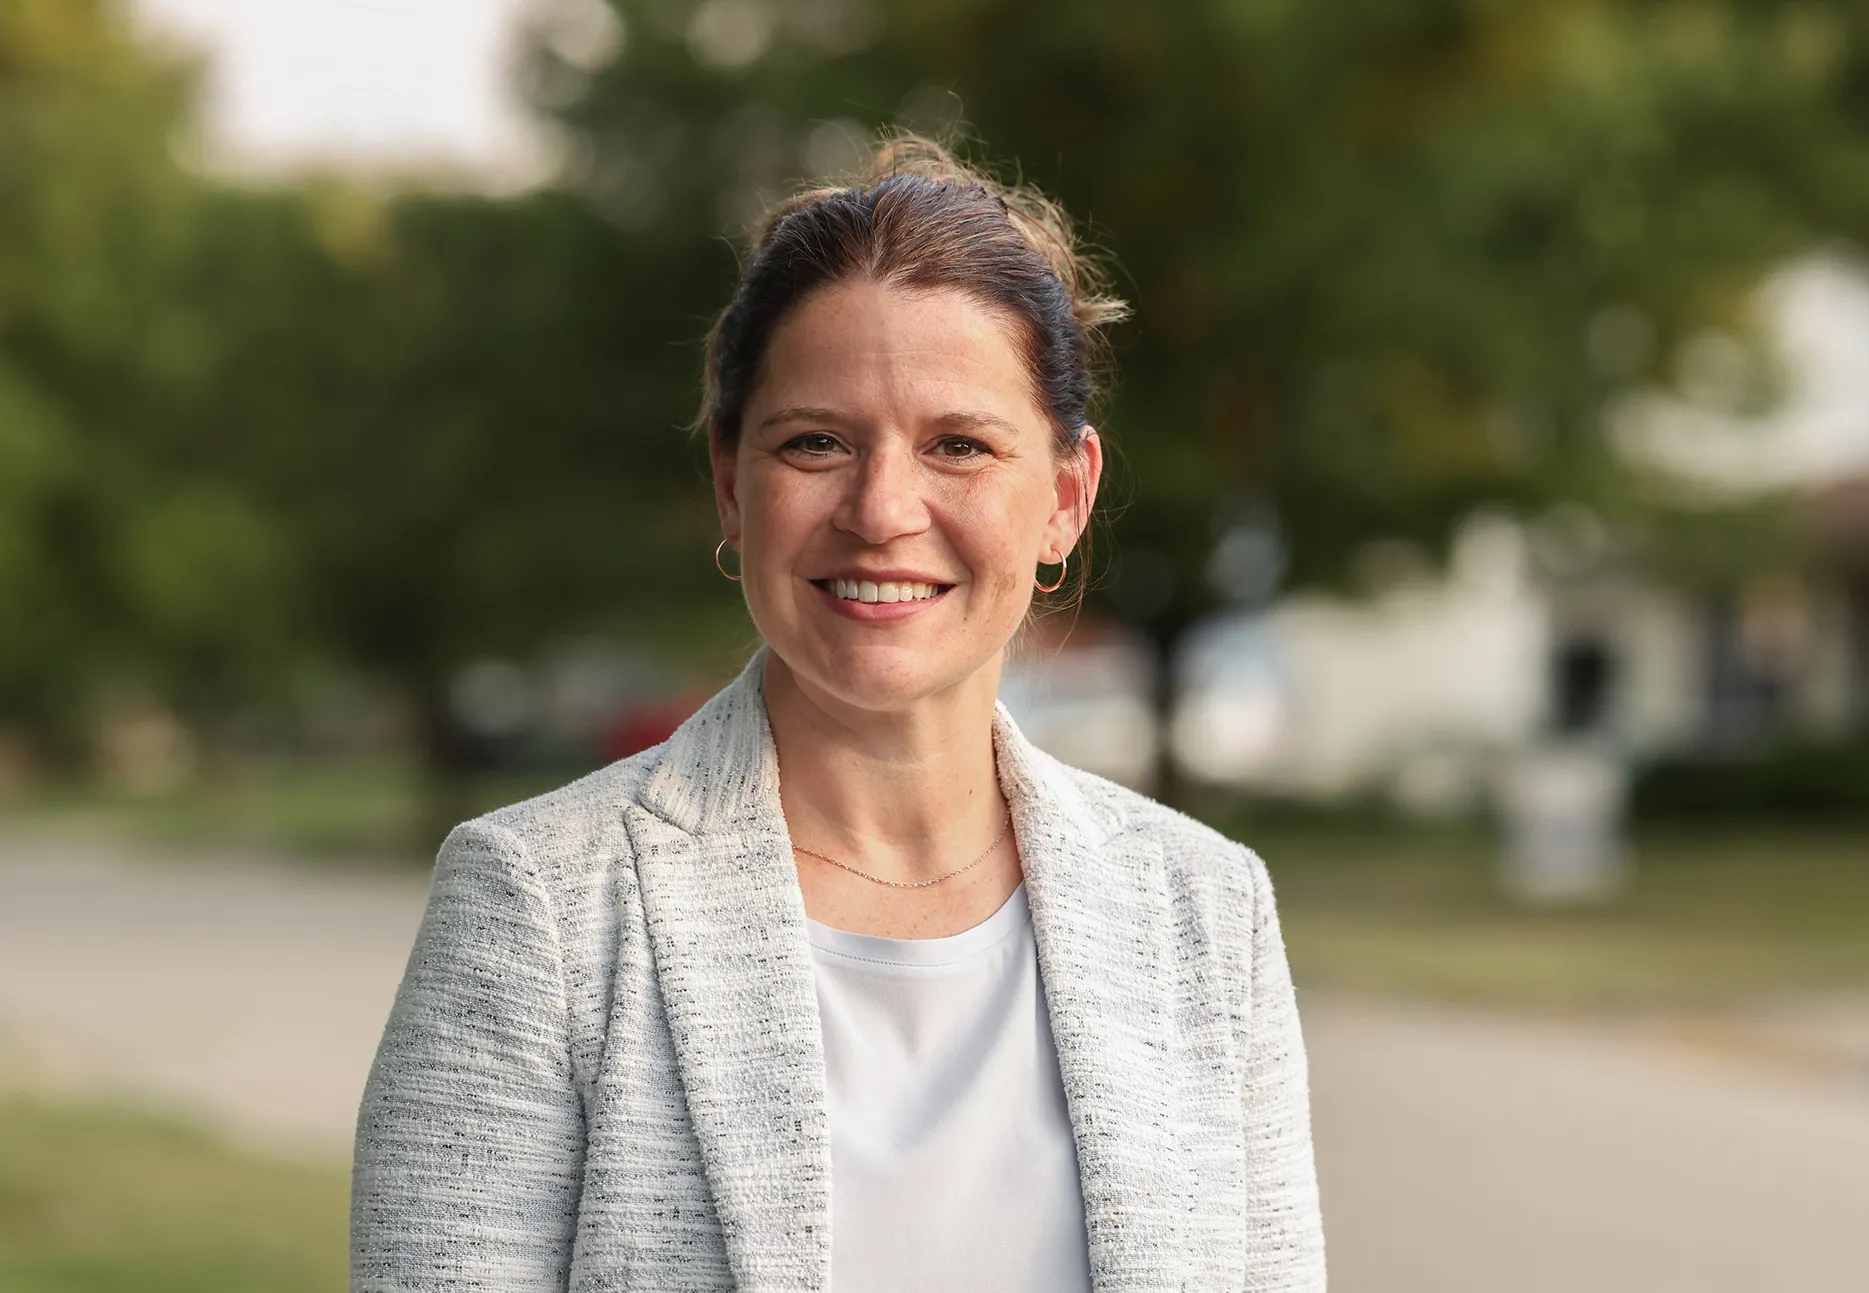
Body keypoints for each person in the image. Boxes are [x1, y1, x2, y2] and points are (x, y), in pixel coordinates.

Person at [350, 134, 1323, 1292]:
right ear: (728, 481)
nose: (881, 510)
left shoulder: (1203, 915)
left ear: (1063, 497)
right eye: (816, 442)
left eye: (958, 446)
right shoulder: (539, 909)